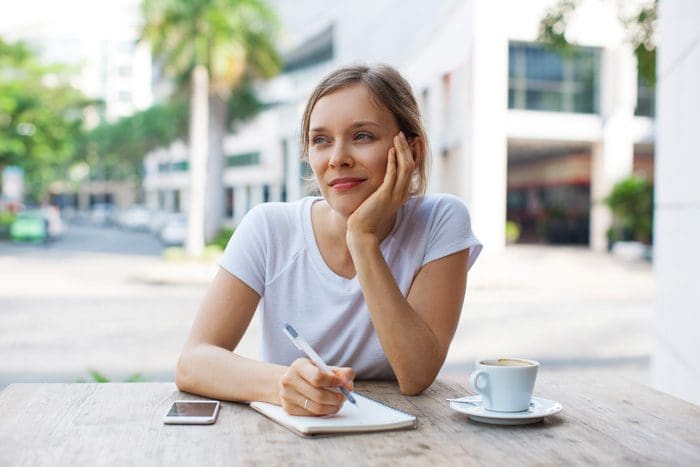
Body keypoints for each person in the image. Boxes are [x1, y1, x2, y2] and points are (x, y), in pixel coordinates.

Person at [176, 64, 482, 416]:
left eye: (362, 136)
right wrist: (282, 385)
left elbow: (416, 375)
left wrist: (363, 238)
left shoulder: (441, 221)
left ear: (411, 151)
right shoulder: (269, 227)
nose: (338, 159)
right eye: (321, 140)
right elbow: (193, 362)